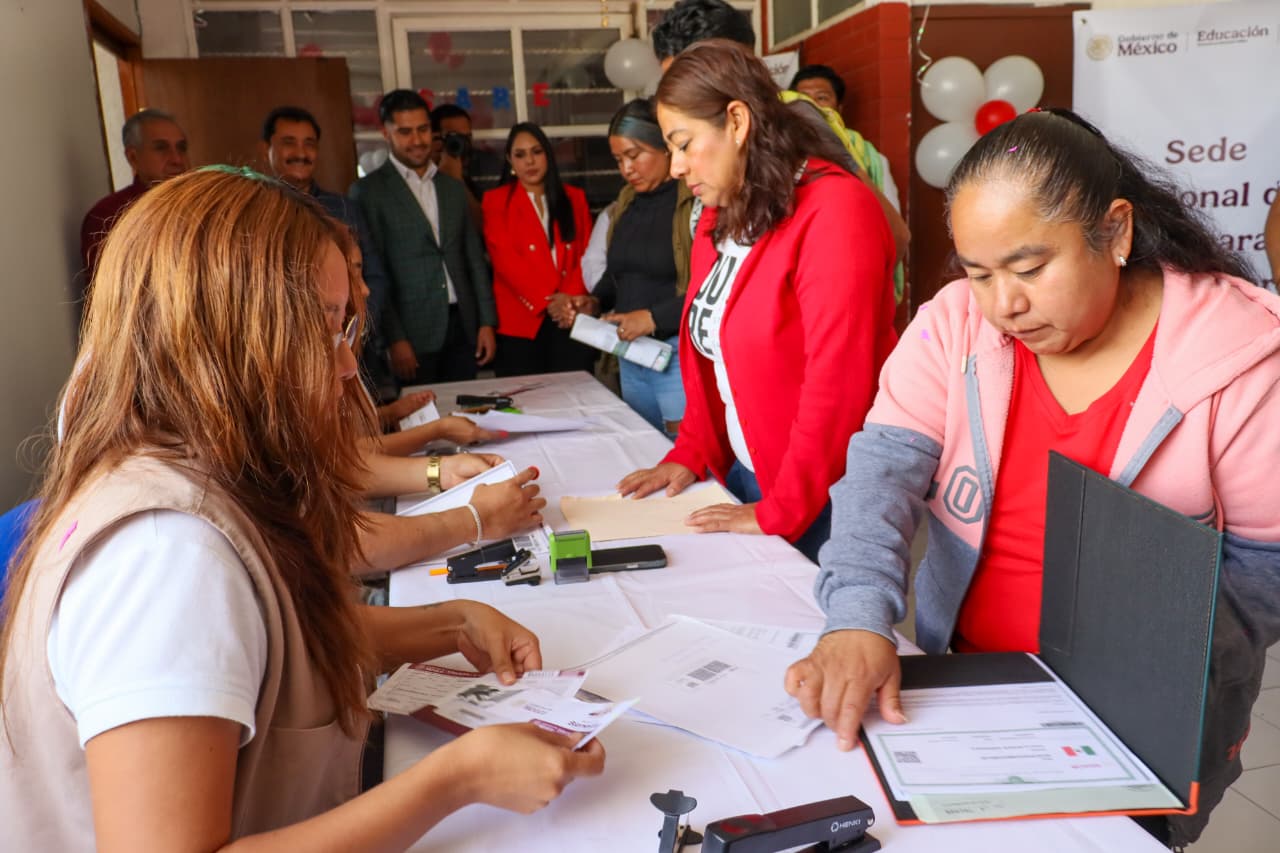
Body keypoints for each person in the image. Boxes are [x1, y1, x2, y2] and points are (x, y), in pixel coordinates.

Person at [0, 167, 604, 850]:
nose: (348, 367)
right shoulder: (167, 553)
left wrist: (448, 618)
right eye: (322, 324)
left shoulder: (197, 473)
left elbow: (263, 638)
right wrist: (455, 778)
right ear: (224, 333)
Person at [786, 109, 1280, 848]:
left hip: (1141, 723)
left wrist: (1129, 677)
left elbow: (1263, 576)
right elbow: (881, 476)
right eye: (978, 272)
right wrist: (857, 614)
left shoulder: (1241, 357)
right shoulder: (954, 325)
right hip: (966, 696)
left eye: (1028, 268)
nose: (1002, 306)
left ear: (1115, 232)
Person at [618, 41, 897, 564]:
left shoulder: (835, 210)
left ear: (738, 121)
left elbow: (837, 386)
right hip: (751, 472)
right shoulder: (717, 216)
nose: (676, 166)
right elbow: (711, 354)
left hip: (824, 496)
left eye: (684, 143)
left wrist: (781, 508)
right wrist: (693, 452)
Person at [650, 0, 910, 265]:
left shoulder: (793, 117)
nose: (677, 97)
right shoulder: (698, 146)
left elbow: (892, 234)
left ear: (740, 61)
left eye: (690, 79)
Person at [559, 99, 696, 436]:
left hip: (678, 353)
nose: (626, 169)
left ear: (666, 147)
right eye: (619, 159)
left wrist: (653, 318)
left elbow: (710, 288)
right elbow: (618, 276)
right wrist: (592, 303)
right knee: (648, 449)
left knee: (685, 456)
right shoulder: (626, 203)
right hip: (632, 353)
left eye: (635, 156)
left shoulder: (695, 201)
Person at [351, 89, 497, 385]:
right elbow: (374, 270)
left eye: (423, 129)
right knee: (422, 422)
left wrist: (486, 322)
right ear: (386, 133)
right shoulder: (369, 192)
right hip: (412, 332)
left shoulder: (452, 187)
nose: (417, 140)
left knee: (469, 415)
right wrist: (394, 339)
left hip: (464, 325)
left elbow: (473, 259)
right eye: (405, 132)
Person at [262, 105, 395, 402]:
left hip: (353, 348)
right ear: (266, 148)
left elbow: (372, 276)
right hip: (289, 363)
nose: (301, 152)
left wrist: (351, 333)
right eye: (289, 142)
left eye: (309, 143)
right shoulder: (258, 216)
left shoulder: (344, 208)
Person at [483, 122, 596, 377]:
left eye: (537, 152)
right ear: (510, 160)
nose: (530, 161)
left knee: (577, 398)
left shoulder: (574, 197)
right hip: (522, 321)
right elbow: (505, 261)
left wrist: (567, 301)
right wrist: (549, 301)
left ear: (548, 154)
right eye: (520, 155)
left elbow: (587, 254)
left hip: (571, 315)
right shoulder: (496, 201)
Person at [80, 109, 189, 285]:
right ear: (133, 157)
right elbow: (110, 291)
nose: (177, 159)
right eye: (161, 148)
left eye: (181, 148)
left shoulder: (201, 205)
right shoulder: (110, 214)